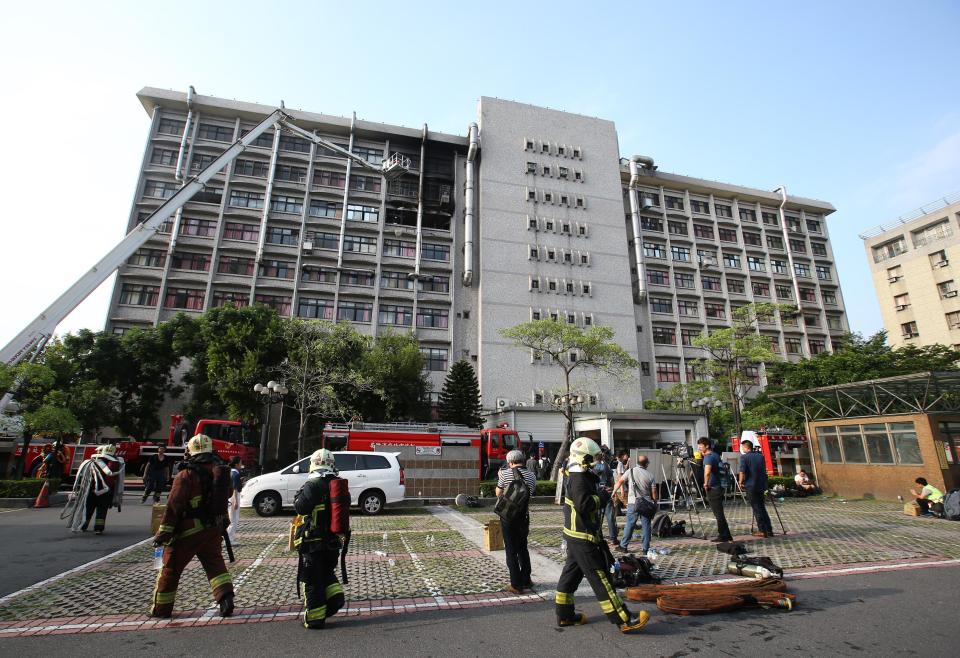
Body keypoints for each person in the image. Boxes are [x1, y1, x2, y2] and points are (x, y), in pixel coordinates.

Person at [555, 437, 649, 634]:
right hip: (583, 537)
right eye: (593, 457)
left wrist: (598, 490)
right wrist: (603, 496)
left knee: (570, 577)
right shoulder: (578, 477)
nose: (596, 461)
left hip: (575, 535)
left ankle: (565, 615)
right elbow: (584, 504)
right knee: (601, 578)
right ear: (583, 457)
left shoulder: (577, 473)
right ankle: (624, 619)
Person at [150, 434, 234, 619]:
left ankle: (161, 609)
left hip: (188, 532)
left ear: (191, 452)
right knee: (215, 566)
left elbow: (174, 507)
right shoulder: (220, 471)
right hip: (212, 529)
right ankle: (226, 599)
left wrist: (163, 534)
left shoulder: (185, 475)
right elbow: (227, 494)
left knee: (171, 568)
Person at [293, 449, 347, 629]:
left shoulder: (312, 484)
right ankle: (336, 598)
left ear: (313, 464)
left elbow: (301, 508)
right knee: (325, 573)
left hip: (313, 543)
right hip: (332, 543)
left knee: (312, 581)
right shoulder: (337, 483)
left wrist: (298, 495)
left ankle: (315, 618)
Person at [496, 449, 536, 594]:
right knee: (523, 547)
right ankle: (526, 580)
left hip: (508, 516)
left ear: (510, 462)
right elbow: (531, 493)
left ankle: (515, 584)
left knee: (511, 549)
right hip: (524, 516)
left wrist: (500, 477)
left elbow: (498, 493)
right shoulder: (531, 475)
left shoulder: (505, 474)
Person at [67, 444, 125, 534]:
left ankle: (83, 525)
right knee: (102, 510)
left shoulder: (91, 462)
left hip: (91, 490)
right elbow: (115, 479)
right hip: (106, 492)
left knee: (88, 509)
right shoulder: (116, 464)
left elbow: (84, 477)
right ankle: (98, 528)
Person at [613, 455, 657, 555]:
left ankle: (623, 546)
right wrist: (655, 503)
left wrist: (613, 492)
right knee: (646, 526)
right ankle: (646, 549)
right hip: (646, 503)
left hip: (633, 502)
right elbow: (654, 492)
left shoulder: (630, 471)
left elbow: (620, 481)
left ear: (637, 463)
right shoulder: (650, 475)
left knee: (630, 524)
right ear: (646, 464)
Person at [700, 437, 732, 542]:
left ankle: (724, 535)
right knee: (719, 512)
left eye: (701, 445)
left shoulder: (708, 457)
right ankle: (725, 534)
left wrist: (705, 483)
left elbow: (707, 472)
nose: (699, 447)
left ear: (707, 446)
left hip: (713, 487)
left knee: (718, 513)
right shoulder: (715, 455)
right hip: (719, 486)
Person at [738, 440, 773, 538]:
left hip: (750, 485)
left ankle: (762, 530)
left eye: (742, 447)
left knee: (756, 508)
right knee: (762, 507)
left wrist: (740, 482)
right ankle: (769, 529)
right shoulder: (760, 456)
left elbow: (742, 471)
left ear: (746, 447)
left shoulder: (744, 457)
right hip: (761, 484)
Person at [593, 448, 618, 545]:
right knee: (610, 516)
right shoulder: (606, 466)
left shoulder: (592, 467)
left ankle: (599, 536)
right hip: (607, 493)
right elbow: (612, 481)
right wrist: (613, 492)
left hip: (596, 494)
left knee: (598, 517)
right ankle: (613, 537)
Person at [227, 456, 242, 546]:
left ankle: (229, 538)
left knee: (231, 519)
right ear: (236, 464)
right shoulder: (236, 474)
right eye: (240, 463)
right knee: (234, 520)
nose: (241, 465)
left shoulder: (229, 472)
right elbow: (235, 488)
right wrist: (236, 501)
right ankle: (229, 539)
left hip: (229, 496)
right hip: (234, 496)